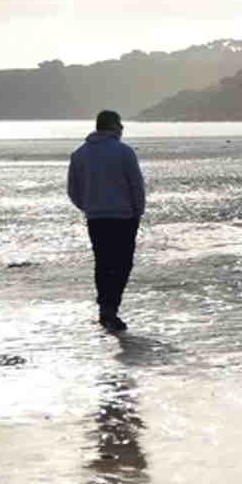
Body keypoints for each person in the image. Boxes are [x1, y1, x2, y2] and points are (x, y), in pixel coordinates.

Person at [67, 109, 146, 333]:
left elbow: (73, 189)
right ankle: (110, 308)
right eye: (120, 125)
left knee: (103, 263)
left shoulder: (80, 154)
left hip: (96, 218)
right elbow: (136, 186)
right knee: (122, 264)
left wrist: (89, 206)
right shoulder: (124, 152)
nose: (122, 129)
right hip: (124, 217)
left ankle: (106, 307)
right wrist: (137, 212)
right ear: (112, 126)